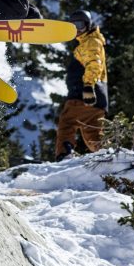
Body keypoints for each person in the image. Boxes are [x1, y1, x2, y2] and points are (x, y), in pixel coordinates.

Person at [55, 10, 108, 160]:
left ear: (88, 25)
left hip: (83, 93)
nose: (77, 29)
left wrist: (88, 86)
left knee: (67, 122)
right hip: (99, 97)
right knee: (93, 133)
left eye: (80, 25)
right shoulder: (91, 42)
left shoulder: (90, 43)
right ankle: (108, 155)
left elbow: (94, 64)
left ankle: (64, 154)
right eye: (73, 26)